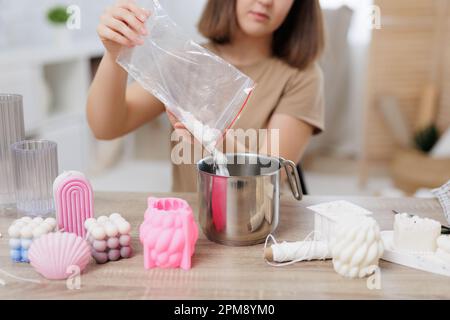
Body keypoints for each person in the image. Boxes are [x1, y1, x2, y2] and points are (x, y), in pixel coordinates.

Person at [87, 0, 325, 192]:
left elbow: (269, 178)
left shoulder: (302, 76)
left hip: (254, 225)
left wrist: (211, 133)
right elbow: (106, 127)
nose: (265, 2)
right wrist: (115, 56)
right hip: (188, 226)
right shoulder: (188, 60)